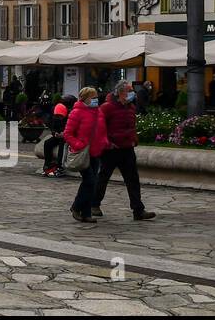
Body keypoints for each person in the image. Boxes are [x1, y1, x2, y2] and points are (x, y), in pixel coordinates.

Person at [93, 83, 156, 220]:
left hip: (127, 148)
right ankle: (94, 204)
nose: (133, 93)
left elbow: (131, 126)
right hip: (111, 149)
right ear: (121, 92)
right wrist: (107, 143)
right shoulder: (107, 108)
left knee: (133, 179)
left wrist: (134, 139)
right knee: (103, 177)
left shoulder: (131, 107)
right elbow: (99, 127)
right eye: (130, 91)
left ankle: (138, 210)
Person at [64, 86, 109, 223]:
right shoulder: (77, 112)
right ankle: (76, 207)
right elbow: (67, 134)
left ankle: (86, 212)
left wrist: (104, 142)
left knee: (91, 183)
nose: (96, 100)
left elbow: (102, 130)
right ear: (85, 99)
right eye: (93, 97)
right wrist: (78, 144)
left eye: (96, 97)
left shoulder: (98, 112)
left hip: (96, 152)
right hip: (83, 152)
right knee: (90, 181)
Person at [41, 101, 68, 177]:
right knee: (47, 143)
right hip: (58, 136)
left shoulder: (68, 118)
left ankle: (60, 167)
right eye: (57, 116)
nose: (58, 117)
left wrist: (64, 134)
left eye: (60, 116)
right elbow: (53, 128)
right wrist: (55, 133)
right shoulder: (55, 119)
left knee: (62, 144)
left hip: (66, 137)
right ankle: (47, 164)